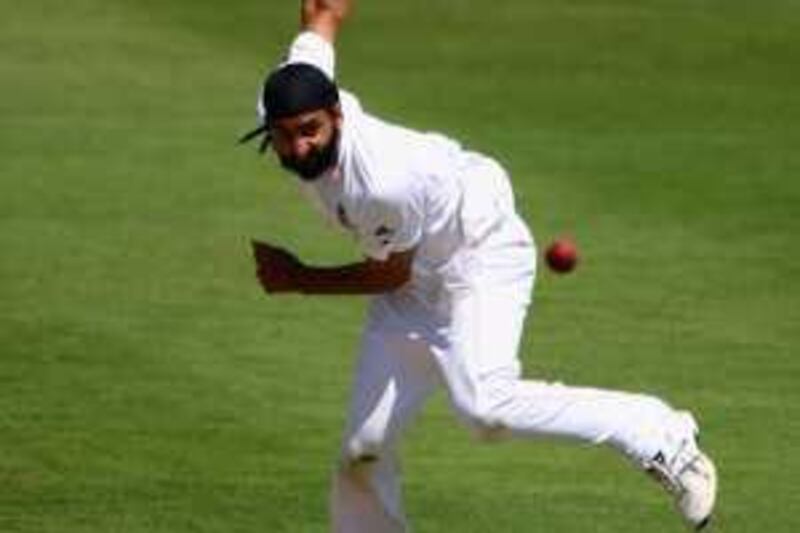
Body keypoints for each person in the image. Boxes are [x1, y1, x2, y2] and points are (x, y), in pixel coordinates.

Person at [240, 1, 718, 531]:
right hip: (412, 278)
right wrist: (325, 14)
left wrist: (299, 277)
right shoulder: (288, 98)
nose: (298, 145)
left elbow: (387, 275)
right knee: (363, 448)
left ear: (338, 116)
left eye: (310, 130)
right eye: (284, 135)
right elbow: (319, 26)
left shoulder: (380, 181)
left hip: (478, 252)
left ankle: (661, 435)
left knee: (486, 409)